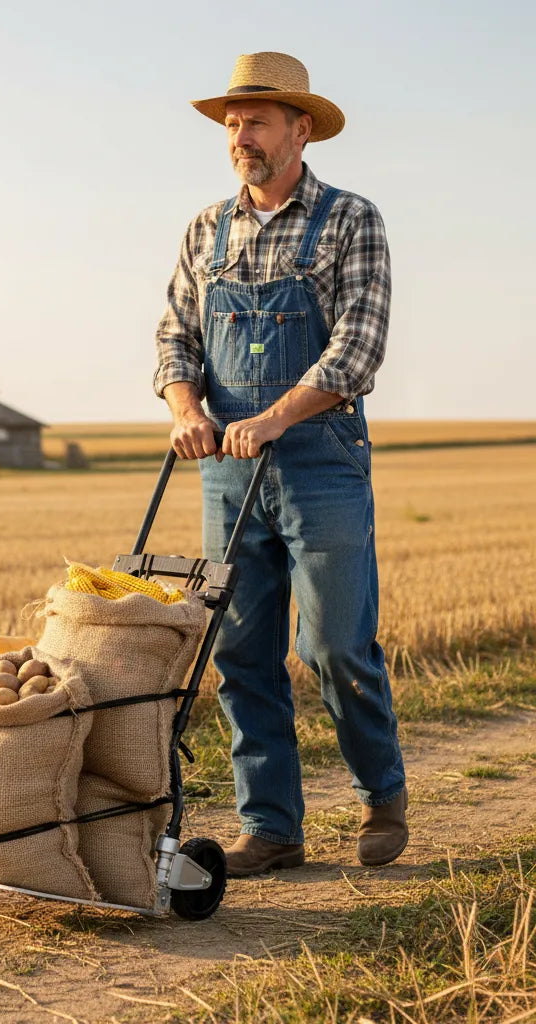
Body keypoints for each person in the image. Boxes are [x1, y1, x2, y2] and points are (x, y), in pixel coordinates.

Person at [153, 52, 407, 876]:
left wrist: (273, 417)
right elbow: (174, 340)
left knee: (334, 646)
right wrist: (187, 410)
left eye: (256, 120)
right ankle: (272, 826)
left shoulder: (349, 220)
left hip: (320, 463)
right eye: (232, 123)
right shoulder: (205, 230)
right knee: (239, 652)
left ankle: (382, 793)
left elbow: (357, 349)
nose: (240, 136)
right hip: (228, 472)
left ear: (301, 128)